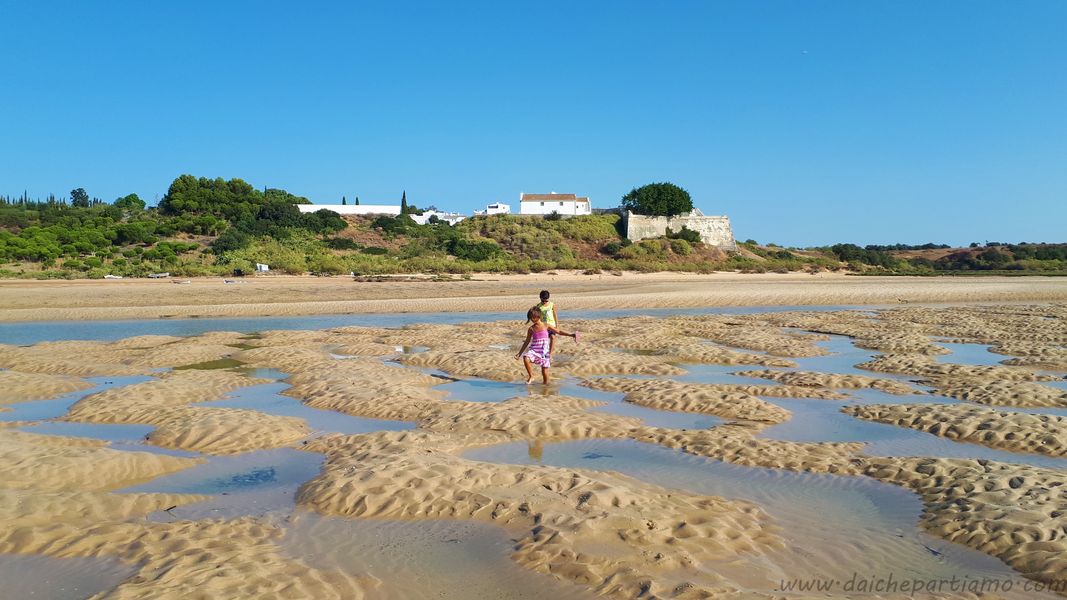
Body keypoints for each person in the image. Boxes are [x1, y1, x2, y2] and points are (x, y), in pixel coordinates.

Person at [515, 306, 577, 384]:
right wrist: (519, 353)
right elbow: (527, 341)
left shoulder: (546, 325)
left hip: (544, 351)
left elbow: (559, 331)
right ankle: (531, 376)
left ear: (538, 316)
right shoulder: (531, 329)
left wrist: (571, 335)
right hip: (534, 349)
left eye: (533, 317)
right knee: (526, 357)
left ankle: (546, 387)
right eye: (530, 318)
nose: (532, 320)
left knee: (544, 371)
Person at [536, 290, 562, 355]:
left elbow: (555, 315)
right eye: (543, 300)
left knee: (553, 337)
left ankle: (550, 354)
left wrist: (557, 325)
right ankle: (543, 352)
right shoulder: (538, 306)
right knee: (544, 340)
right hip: (543, 326)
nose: (544, 302)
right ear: (540, 298)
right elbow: (537, 317)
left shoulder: (552, 305)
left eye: (546, 300)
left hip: (552, 325)